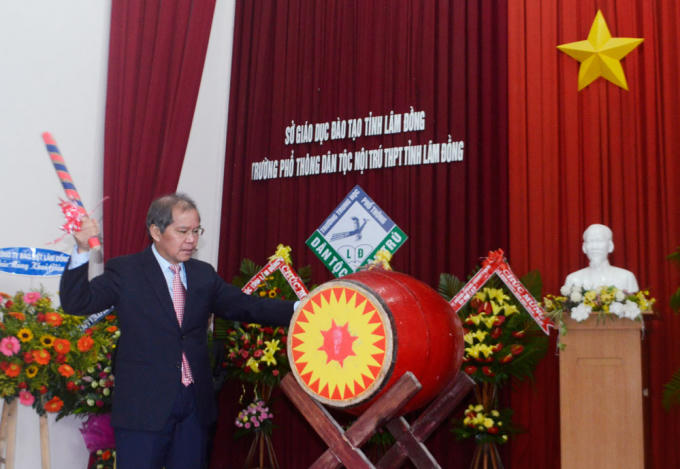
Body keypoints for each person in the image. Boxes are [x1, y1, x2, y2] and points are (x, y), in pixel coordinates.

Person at [59, 193, 294, 469]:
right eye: (183, 231)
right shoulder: (126, 271)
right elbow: (77, 302)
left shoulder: (203, 274)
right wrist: (82, 249)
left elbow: (247, 306)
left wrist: (301, 308)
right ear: (156, 232)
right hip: (143, 409)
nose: (191, 239)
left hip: (194, 408)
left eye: (196, 231)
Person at [562, 223, 639, 292]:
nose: (595, 247)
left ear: (610, 246)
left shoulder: (626, 277)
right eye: (590, 241)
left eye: (599, 241)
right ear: (584, 247)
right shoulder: (573, 279)